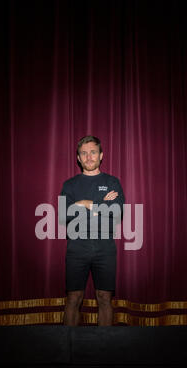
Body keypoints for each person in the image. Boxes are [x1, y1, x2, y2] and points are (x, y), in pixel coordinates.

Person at [59, 135, 125, 326]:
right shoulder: (69, 185)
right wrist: (102, 205)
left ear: (101, 155)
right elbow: (65, 215)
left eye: (93, 152)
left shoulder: (112, 182)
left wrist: (86, 204)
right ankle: (67, 347)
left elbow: (117, 210)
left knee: (104, 298)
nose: (89, 157)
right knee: (73, 298)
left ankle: (105, 348)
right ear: (78, 158)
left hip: (105, 247)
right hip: (76, 247)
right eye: (84, 153)